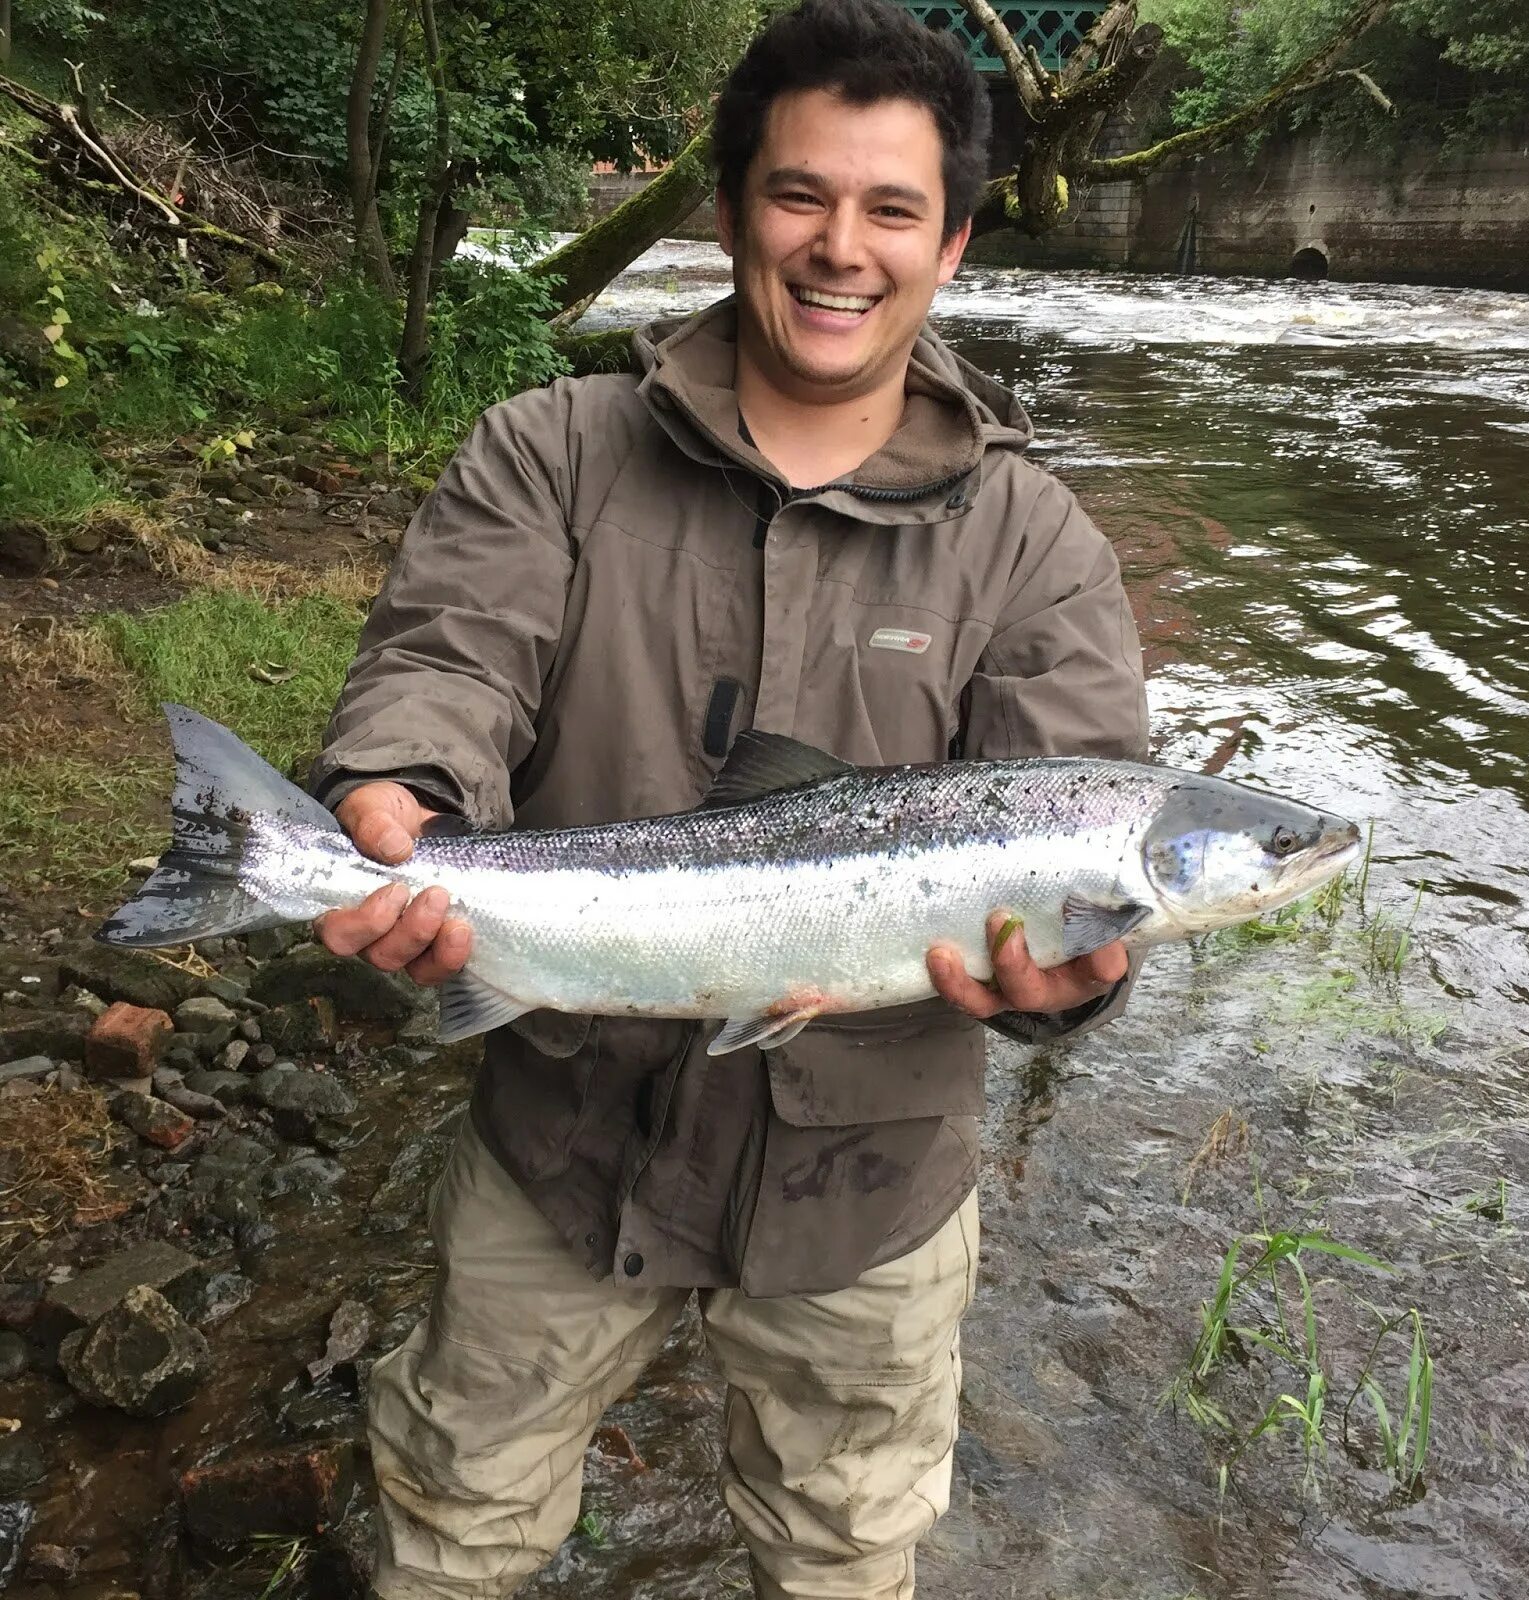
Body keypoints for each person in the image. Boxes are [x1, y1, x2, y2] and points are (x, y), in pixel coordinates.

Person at [307, 1, 1147, 1593]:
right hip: (557, 1138)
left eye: (893, 208)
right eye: (799, 196)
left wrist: (1066, 993)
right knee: (452, 1533)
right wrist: (401, 788)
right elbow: (450, 659)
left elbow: (1073, 824)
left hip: (870, 1193)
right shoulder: (548, 453)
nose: (843, 249)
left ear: (952, 243)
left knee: (842, 1558)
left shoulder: (1036, 544)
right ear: (729, 212)